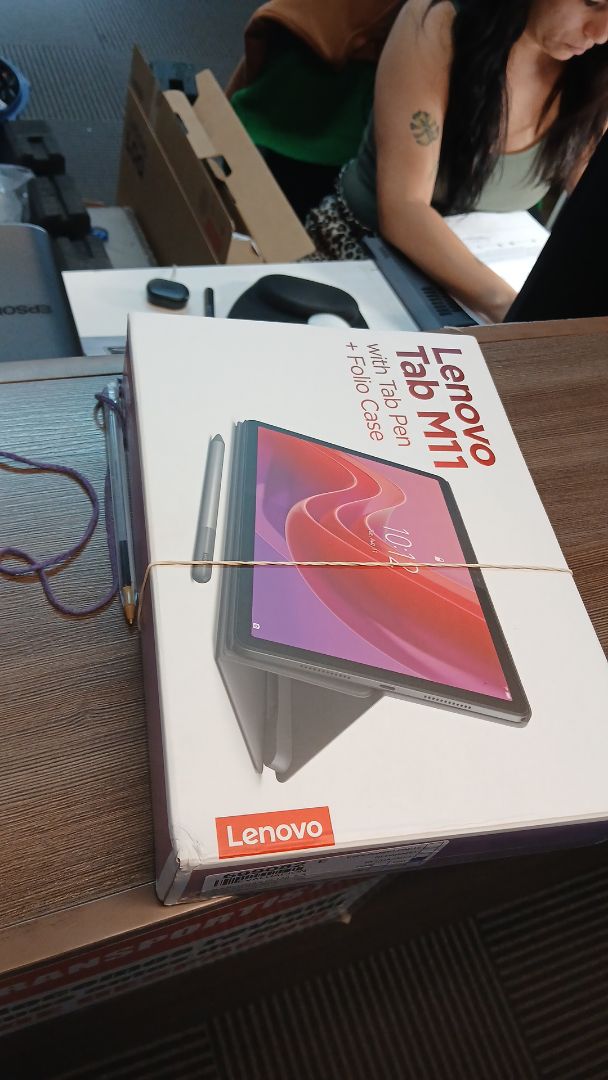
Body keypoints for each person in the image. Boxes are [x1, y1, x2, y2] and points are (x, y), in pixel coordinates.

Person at [305, 0, 608, 322]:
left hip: (485, 270)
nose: (601, 33)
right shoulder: (438, 19)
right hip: (362, 254)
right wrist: (518, 313)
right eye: (592, 3)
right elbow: (405, 208)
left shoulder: (593, 66)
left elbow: (591, 199)